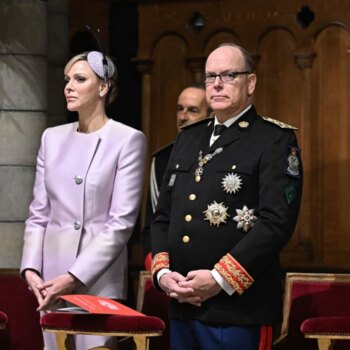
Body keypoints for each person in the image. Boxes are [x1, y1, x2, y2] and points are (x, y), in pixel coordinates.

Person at [151, 43, 303, 350]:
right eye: (210, 77)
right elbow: (163, 216)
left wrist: (219, 279)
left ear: (251, 83)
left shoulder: (274, 139)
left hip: (238, 309)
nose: (217, 84)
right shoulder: (188, 138)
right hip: (181, 303)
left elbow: (275, 223)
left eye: (229, 75)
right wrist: (163, 274)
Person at [20, 51, 146, 350]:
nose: (68, 87)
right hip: (49, 283)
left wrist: (74, 276)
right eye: (67, 80)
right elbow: (39, 213)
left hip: (96, 278)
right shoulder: (52, 137)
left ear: (104, 87)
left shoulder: (127, 139)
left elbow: (121, 222)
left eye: (79, 79)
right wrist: (30, 270)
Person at [141, 83, 211, 270]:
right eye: (180, 109)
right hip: (171, 264)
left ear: (210, 115)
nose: (183, 117)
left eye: (192, 110)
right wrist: (160, 265)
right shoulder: (163, 158)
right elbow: (155, 220)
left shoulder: (223, 155)